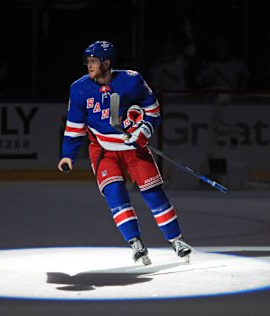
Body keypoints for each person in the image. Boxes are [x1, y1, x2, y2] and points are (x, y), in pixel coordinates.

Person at [57, 41, 193, 265]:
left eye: (93, 61)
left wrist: (144, 131)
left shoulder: (132, 80)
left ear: (107, 63)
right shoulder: (79, 88)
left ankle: (176, 240)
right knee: (115, 195)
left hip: (133, 149)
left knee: (154, 194)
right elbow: (74, 127)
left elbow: (153, 110)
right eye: (87, 61)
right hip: (103, 150)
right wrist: (68, 155)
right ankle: (135, 243)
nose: (88, 65)